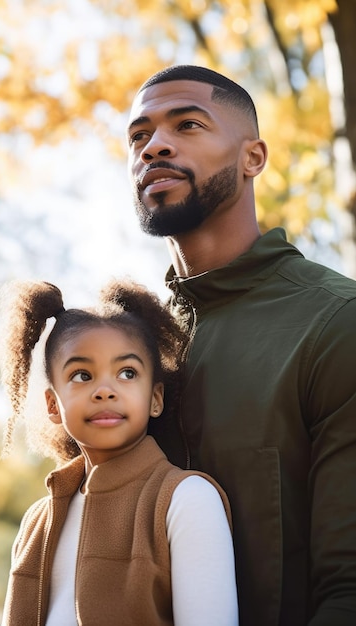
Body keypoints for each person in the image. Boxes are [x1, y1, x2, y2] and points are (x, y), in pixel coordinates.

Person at [126, 64, 356, 626]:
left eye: (188, 125)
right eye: (139, 136)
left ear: (253, 157)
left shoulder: (335, 322)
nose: (154, 146)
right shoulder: (127, 348)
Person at [0, 277, 238, 626]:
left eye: (126, 372)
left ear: (155, 398)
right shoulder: (37, 521)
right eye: (81, 375)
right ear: (53, 404)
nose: (105, 390)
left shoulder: (187, 500)